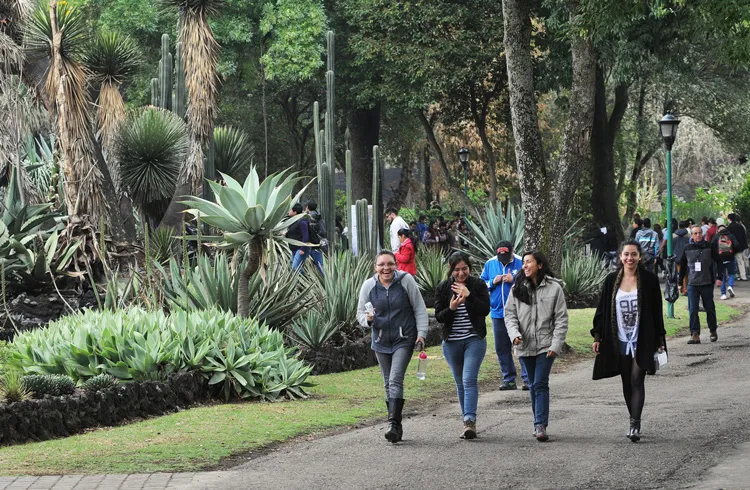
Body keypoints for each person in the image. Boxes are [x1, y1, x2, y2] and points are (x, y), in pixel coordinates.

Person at [591, 240, 667, 442]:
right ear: (620, 257)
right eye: (626, 254)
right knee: (626, 381)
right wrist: (598, 336)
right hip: (620, 338)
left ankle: (635, 424)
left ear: (639, 257)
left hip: (643, 337)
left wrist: (660, 338)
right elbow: (602, 310)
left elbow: (656, 311)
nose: (629, 258)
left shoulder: (649, 280)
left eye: (633, 254)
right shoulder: (611, 281)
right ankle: (632, 417)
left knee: (636, 379)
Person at [357, 251, 428, 443]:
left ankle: (393, 424)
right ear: (375, 267)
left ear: (396, 265)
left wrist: (421, 333)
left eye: (390, 264)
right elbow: (360, 314)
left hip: (403, 338)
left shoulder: (406, 281)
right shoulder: (369, 286)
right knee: (387, 382)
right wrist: (368, 321)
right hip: (380, 340)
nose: (386, 268)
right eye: (381, 265)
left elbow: (419, 308)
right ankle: (396, 425)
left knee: (396, 379)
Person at [504, 251, 568, 442]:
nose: (525, 265)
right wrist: (514, 335)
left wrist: (556, 344)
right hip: (524, 345)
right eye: (523, 262)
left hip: (546, 344)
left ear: (539, 265)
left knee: (540, 383)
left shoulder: (554, 288)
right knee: (532, 385)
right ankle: (537, 421)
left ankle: (540, 425)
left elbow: (561, 319)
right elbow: (510, 315)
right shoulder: (517, 288)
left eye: (529, 262)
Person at [434, 252, 491, 439]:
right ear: (451, 270)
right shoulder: (443, 287)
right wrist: (451, 308)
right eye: (457, 270)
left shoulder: (478, 284)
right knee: (460, 383)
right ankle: (466, 418)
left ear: (470, 268)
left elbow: (484, 310)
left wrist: (469, 297)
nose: (461, 273)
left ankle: (469, 421)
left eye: (464, 269)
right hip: (452, 342)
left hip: (474, 339)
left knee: (469, 379)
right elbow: (439, 317)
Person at [479, 240, 529, 391]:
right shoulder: (490, 263)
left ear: (512, 251)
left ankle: (527, 379)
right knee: (501, 347)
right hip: (498, 312)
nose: (503, 259)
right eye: (501, 256)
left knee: (521, 344)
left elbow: (531, 283)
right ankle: (509, 379)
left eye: (506, 256)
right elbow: (481, 284)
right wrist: (492, 282)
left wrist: (514, 280)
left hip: (519, 312)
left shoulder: (522, 262)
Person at [679, 226, 719, 344]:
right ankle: (695, 334)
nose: (698, 235)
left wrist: (720, 277)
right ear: (691, 235)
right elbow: (682, 266)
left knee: (709, 308)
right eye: (695, 233)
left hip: (707, 282)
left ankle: (712, 330)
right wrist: (680, 282)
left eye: (700, 233)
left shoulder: (709, 246)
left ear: (703, 234)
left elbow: (719, 261)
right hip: (692, 283)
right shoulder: (687, 248)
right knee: (693, 309)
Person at [286, 203, 322, 274]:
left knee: (295, 267)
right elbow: (294, 233)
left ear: (295, 212)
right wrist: (286, 234)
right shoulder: (292, 221)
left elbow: (305, 236)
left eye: (290, 210)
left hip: (301, 248)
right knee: (295, 267)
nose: (288, 211)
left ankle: (305, 279)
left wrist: (302, 248)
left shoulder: (302, 221)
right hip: (294, 248)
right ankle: (302, 282)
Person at [714, 225, 737, 300]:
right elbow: (736, 245)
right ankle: (730, 286)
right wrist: (733, 253)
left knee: (722, 275)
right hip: (730, 258)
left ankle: (723, 294)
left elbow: (711, 245)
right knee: (731, 273)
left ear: (718, 230)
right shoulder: (731, 235)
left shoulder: (717, 236)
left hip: (720, 259)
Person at [727, 213, 748, 281]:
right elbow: (744, 236)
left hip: (731, 247)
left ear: (729, 219)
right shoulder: (740, 226)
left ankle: (731, 276)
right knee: (740, 261)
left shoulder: (728, 227)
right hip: (740, 247)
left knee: (730, 262)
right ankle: (743, 276)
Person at [673, 220, 691, 294]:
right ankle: (684, 289)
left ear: (678, 226)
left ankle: (680, 288)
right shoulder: (689, 235)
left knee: (679, 272)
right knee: (685, 274)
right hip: (686, 256)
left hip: (676, 256)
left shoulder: (673, 235)